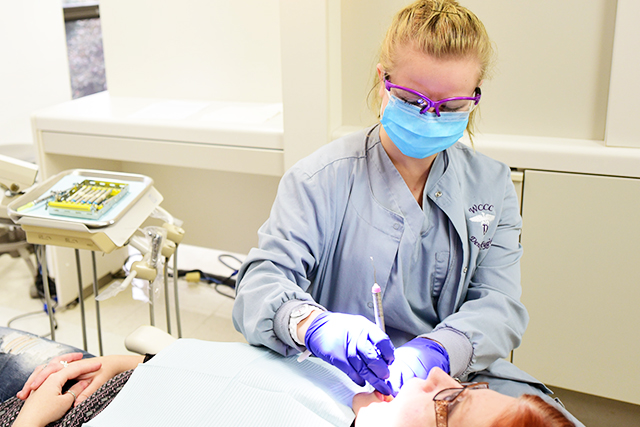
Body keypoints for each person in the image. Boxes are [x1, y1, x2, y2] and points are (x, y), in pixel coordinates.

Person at [232, 1, 582, 425]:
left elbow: (499, 305)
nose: (431, 117)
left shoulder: (490, 187)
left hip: (453, 376)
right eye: (413, 100)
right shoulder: (319, 179)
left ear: (475, 97)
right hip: (341, 378)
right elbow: (261, 284)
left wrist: (436, 351)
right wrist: (312, 325)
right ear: (384, 81)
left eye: (451, 106)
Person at [0, 327, 574, 427]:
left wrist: (34, 417)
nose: (432, 378)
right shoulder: (356, 397)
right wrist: (119, 364)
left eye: (448, 404)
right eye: (464, 381)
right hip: (100, 376)